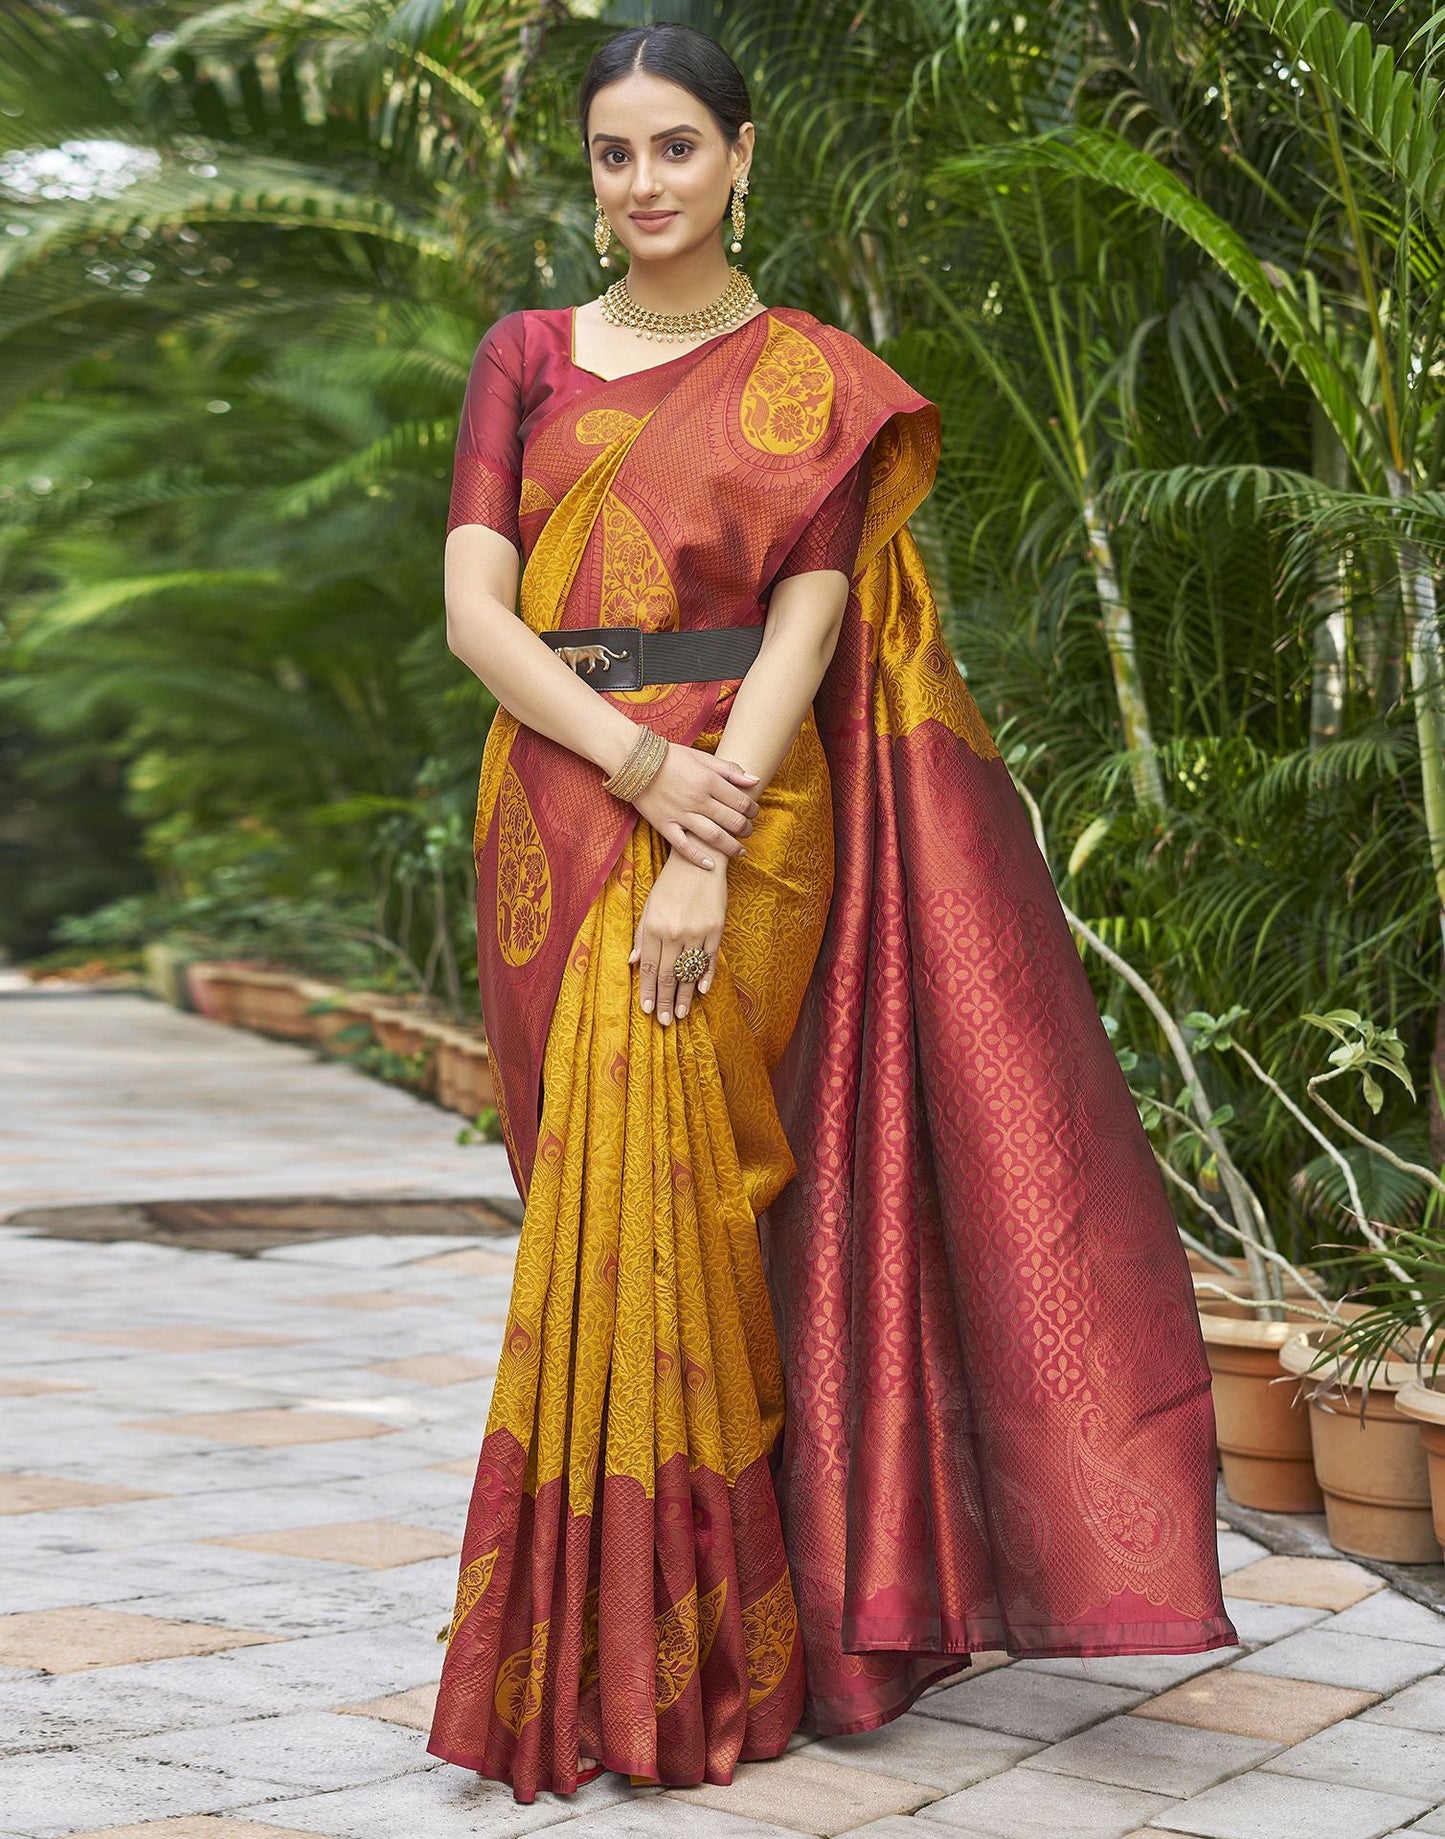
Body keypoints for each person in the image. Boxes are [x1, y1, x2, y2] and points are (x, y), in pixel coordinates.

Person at [428, 21, 1235, 1807]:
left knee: (708, 1210)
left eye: (674, 150)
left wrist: (707, 834)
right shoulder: (528, 355)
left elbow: (805, 621)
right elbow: (480, 613)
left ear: (740, 157)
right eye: (613, 155)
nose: (643, 185)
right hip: (561, 805)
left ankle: (712, 1661)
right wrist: (637, 780)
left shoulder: (812, 378)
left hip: (751, 801)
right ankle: (607, 1642)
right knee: (587, 1209)